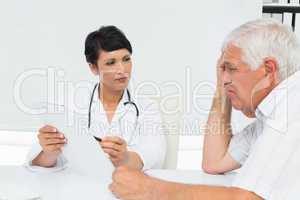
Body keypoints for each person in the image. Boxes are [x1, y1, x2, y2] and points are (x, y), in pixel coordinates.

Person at [109, 18, 300, 200]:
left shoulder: (292, 108)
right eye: (221, 69)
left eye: (231, 68)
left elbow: (250, 199)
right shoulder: (270, 116)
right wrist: (223, 87)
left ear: (267, 70)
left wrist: (150, 190)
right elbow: (215, 162)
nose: (224, 78)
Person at [26, 25, 166, 171]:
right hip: (79, 186)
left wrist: (125, 158)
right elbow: (38, 162)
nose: (122, 70)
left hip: (127, 187)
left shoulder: (146, 106)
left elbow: (155, 154)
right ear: (93, 68)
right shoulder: (70, 102)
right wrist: (49, 152)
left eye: (126, 59)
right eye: (111, 63)